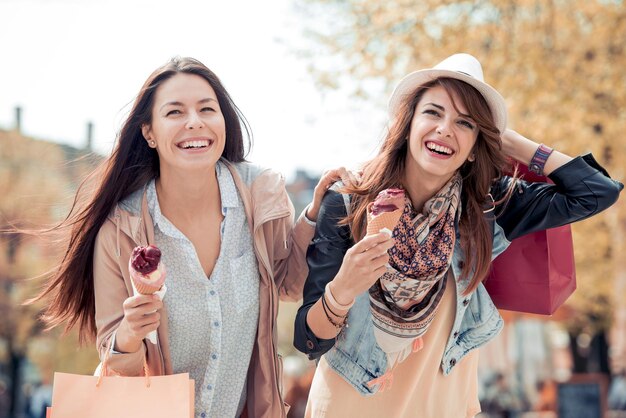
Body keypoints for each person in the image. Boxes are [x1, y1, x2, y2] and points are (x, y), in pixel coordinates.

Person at [293, 53, 623, 417]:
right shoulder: (350, 202)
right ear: (408, 125)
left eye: (465, 123)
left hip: (443, 404)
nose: (445, 129)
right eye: (433, 112)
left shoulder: (488, 208)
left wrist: (513, 143)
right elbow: (308, 339)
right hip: (351, 404)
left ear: (473, 146)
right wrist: (341, 289)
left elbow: (597, 192)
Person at [30, 56, 346, 418]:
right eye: (175, 112)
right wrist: (131, 333)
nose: (194, 122)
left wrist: (313, 216)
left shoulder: (261, 194)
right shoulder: (121, 229)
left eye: (207, 109)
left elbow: (287, 285)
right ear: (149, 133)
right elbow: (118, 364)